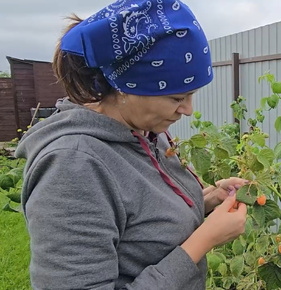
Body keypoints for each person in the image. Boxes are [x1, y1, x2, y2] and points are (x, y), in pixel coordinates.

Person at [15, 1, 248, 289]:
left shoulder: (146, 131)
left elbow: (142, 220)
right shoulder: (73, 167)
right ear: (127, 88)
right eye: (177, 98)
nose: (188, 109)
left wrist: (206, 201)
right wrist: (204, 241)